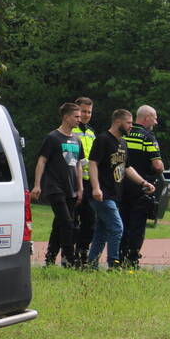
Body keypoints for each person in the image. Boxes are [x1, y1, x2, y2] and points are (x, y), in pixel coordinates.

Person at [87, 109, 156, 269]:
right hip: (103, 193)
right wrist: (96, 188)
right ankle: (114, 263)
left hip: (115, 193)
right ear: (118, 122)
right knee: (117, 227)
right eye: (129, 123)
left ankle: (91, 264)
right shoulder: (103, 140)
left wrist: (143, 182)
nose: (131, 126)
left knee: (101, 231)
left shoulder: (123, 142)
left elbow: (127, 168)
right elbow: (93, 163)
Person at [32, 102, 84, 267]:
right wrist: (37, 185)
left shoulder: (77, 139)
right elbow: (42, 161)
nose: (79, 120)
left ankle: (50, 258)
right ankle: (69, 258)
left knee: (59, 224)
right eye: (76, 117)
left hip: (71, 188)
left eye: (80, 117)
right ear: (66, 117)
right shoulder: (53, 137)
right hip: (54, 187)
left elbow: (78, 165)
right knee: (67, 223)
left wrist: (80, 187)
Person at [120, 104, 164, 268]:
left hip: (122, 186)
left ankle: (119, 255)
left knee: (121, 222)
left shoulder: (124, 134)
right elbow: (158, 165)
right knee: (137, 224)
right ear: (146, 118)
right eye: (154, 118)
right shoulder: (147, 137)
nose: (156, 122)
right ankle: (132, 259)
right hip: (142, 187)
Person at [72, 96, 97, 265]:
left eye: (89, 112)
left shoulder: (91, 132)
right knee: (71, 221)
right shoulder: (71, 131)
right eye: (83, 111)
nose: (86, 115)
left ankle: (82, 250)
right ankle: (66, 253)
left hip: (88, 181)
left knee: (90, 220)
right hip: (72, 181)